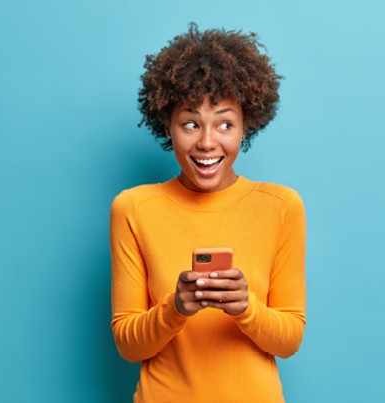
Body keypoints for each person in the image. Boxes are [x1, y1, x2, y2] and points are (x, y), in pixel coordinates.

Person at [110, 23, 306, 403]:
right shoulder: (133, 208)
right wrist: (176, 308)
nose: (206, 142)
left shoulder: (281, 207)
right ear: (166, 125)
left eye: (225, 124)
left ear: (246, 126)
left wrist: (246, 306)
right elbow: (128, 345)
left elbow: (290, 339)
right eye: (190, 123)